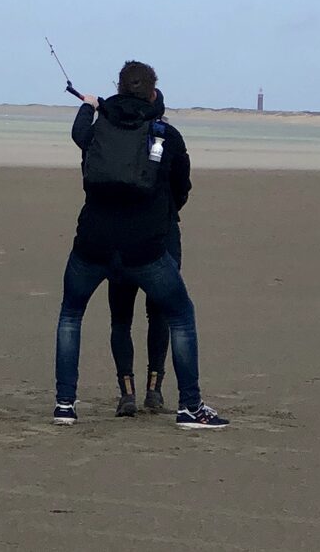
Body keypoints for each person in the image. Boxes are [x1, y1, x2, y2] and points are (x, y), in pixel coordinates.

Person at [52, 59, 229, 429]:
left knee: (71, 315)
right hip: (143, 248)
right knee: (180, 314)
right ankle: (190, 406)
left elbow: (78, 132)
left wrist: (90, 104)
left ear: (118, 90)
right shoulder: (166, 134)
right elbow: (181, 187)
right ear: (152, 92)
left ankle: (65, 405)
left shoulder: (99, 129)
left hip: (93, 243)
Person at [105, 86, 183, 417]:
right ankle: (152, 390)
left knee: (123, 317)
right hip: (160, 236)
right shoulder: (170, 137)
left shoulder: (115, 137)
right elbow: (183, 185)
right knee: (158, 314)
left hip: (123, 234)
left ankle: (131, 392)